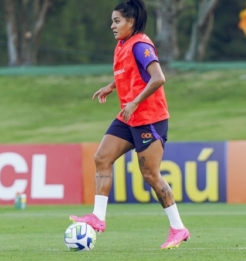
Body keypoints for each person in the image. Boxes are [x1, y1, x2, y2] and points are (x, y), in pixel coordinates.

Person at [69, 0, 190, 249]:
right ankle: (98, 218)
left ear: (131, 22)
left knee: (150, 175)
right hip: (129, 115)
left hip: (150, 118)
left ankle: (178, 228)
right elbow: (131, 73)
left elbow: (158, 78)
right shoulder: (122, 45)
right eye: (112, 21)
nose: (112, 26)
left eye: (117, 21)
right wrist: (112, 86)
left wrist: (134, 101)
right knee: (102, 157)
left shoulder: (141, 45)